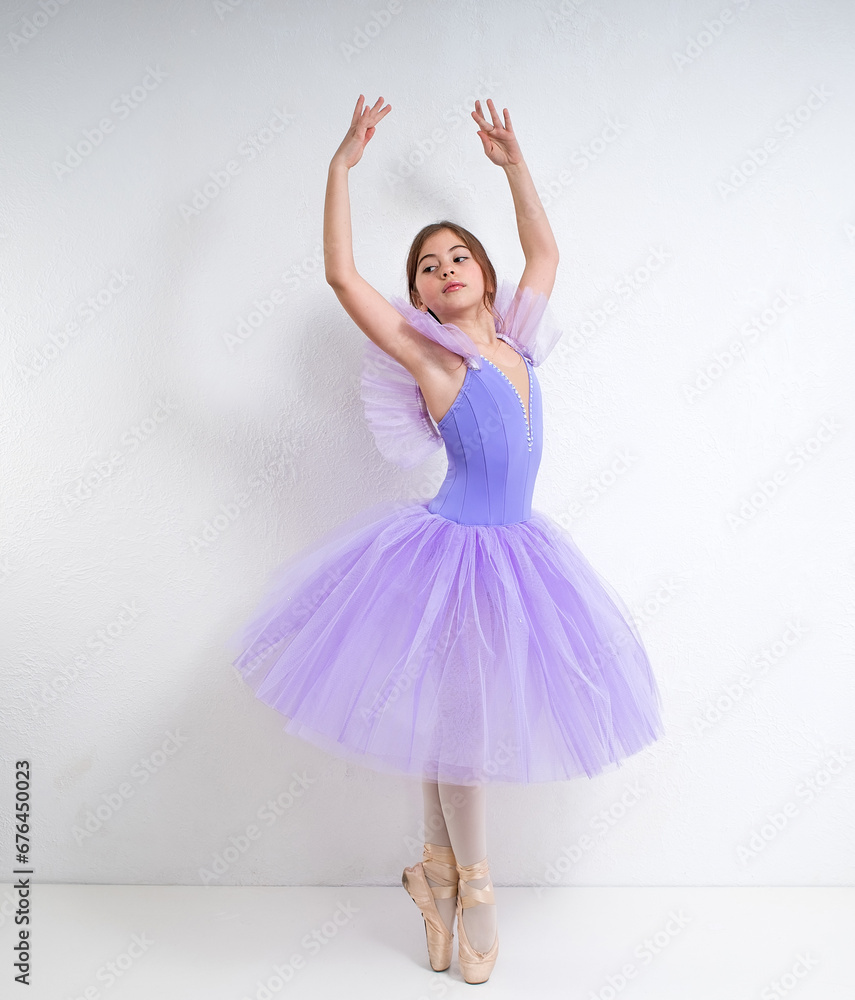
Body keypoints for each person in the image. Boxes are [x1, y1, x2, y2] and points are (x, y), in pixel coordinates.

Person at [227, 95, 664, 984]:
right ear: (419, 297)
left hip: (520, 556)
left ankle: (430, 874)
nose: (444, 268)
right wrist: (339, 168)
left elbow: (545, 249)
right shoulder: (434, 363)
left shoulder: (519, 343)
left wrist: (512, 167)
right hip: (451, 555)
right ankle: (476, 890)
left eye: (459, 255)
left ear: (487, 279)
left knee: (449, 729)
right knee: (462, 729)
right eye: (427, 265)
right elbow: (345, 279)